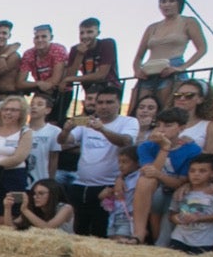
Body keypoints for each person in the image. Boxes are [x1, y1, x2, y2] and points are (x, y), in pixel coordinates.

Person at [58, 86, 138, 237]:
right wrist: (66, 130)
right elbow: (63, 142)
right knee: (79, 231)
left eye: (109, 102)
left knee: (101, 232)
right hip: (81, 184)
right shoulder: (87, 121)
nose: (104, 106)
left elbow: (126, 142)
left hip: (107, 186)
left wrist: (102, 130)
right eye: (100, 102)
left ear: (118, 104)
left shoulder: (129, 121)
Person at [128, 107, 202, 246]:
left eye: (168, 126)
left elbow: (180, 182)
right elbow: (150, 173)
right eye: (159, 125)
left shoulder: (192, 149)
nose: (161, 129)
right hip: (153, 192)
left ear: (182, 128)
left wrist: (159, 174)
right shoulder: (147, 146)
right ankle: (139, 232)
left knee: (163, 237)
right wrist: (164, 148)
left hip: (177, 193)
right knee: (145, 181)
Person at [131, 0, 207, 107]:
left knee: (167, 110)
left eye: (171, 1)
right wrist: (137, 70)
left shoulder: (188, 22)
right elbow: (139, 56)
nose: (167, 4)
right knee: (137, 109)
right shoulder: (152, 27)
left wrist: (182, 67)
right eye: (163, 1)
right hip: (149, 71)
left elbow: (202, 49)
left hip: (172, 68)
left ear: (179, 3)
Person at [166, 156, 213, 254]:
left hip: (204, 241)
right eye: (192, 171)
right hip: (179, 237)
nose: (196, 174)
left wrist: (198, 218)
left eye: (202, 171)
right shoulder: (181, 192)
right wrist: (176, 218)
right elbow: (172, 214)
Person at [18, 25, 67, 108]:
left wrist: (38, 85)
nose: (40, 40)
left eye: (44, 37)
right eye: (37, 37)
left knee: (56, 119)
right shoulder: (28, 54)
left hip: (61, 90)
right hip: (40, 90)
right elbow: (20, 83)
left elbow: (55, 80)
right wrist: (39, 84)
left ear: (51, 38)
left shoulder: (58, 49)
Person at [102, 145, 143, 243]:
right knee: (112, 242)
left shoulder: (140, 177)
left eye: (125, 162)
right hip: (114, 216)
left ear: (137, 163)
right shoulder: (121, 178)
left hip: (128, 217)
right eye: (119, 162)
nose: (120, 165)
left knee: (121, 243)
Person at [2, 179, 73, 233]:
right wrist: (7, 208)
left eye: (41, 193)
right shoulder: (33, 209)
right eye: (34, 193)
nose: (35, 197)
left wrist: (25, 210)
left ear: (53, 194)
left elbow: (48, 228)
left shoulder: (66, 208)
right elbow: (11, 228)